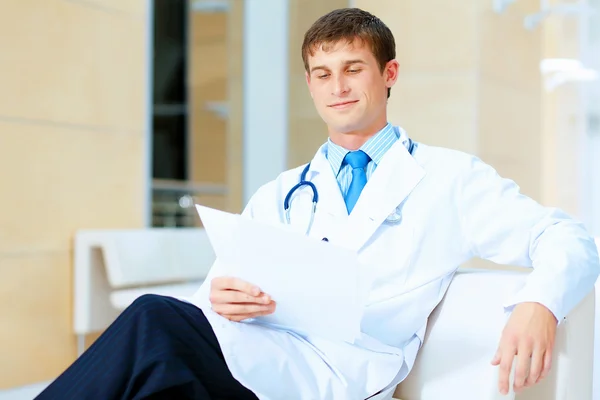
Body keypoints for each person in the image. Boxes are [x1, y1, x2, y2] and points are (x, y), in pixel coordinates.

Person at [37, 7, 599, 400]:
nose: (339, 87)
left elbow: (569, 237)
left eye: (353, 69)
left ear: (388, 74)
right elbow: (217, 297)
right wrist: (220, 295)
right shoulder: (281, 190)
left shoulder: (449, 178)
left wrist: (540, 304)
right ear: (310, 84)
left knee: (152, 320)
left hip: (342, 378)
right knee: (157, 367)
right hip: (258, 359)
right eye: (323, 74)